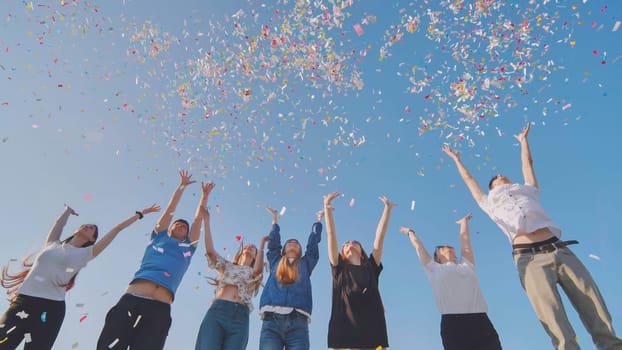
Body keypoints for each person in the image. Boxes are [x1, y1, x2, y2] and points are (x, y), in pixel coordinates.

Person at [443, 123, 622, 350]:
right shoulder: (489, 203)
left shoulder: (528, 190)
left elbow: (527, 165)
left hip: (560, 249)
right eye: (496, 178)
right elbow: (470, 181)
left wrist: (523, 142)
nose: (500, 175)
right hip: (529, 259)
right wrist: (457, 159)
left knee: (594, 307)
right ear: (492, 188)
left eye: (503, 175)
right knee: (553, 319)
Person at [0, 203, 160, 350]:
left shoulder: (87, 253)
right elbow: (58, 225)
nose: (88, 227)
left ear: (92, 239)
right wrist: (67, 211)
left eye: (92, 229)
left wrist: (140, 214)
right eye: (87, 225)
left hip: (51, 308)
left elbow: (116, 229)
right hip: (23, 301)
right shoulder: (52, 244)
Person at [97, 171, 207, 350]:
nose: (181, 225)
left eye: (184, 227)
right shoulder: (158, 237)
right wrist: (181, 187)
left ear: (187, 235)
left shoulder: (189, 248)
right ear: (168, 228)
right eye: (177, 224)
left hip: (160, 308)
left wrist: (205, 196)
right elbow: (170, 210)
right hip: (132, 298)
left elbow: (198, 220)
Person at [400, 213, 502, 350]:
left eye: (449, 246)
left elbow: (466, 244)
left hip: (480, 321)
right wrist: (410, 233)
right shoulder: (433, 268)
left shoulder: (467, 266)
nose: (447, 246)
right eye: (441, 247)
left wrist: (464, 223)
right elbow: (419, 248)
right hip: (453, 324)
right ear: (437, 257)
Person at [195, 181, 270, 350]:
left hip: (240, 316)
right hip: (218, 310)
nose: (250, 247)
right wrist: (206, 221)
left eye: (254, 248)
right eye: (248, 246)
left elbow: (258, 270)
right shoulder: (227, 266)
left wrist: (262, 244)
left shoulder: (254, 271)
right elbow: (210, 252)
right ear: (241, 251)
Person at [323, 191, 395, 350]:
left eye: (354, 242)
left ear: (361, 250)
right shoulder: (339, 269)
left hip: (374, 338)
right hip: (344, 339)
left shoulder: (371, 267)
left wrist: (387, 210)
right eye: (345, 244)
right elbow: (331, 235)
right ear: (342, 253)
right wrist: (327, 208)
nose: (349, 244)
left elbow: (380, 237)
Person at [258, 206, 323, 350]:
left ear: (300, 250)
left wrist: (318, 221)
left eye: (296, 243)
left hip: (298, 321)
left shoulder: (306, 263)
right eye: (289, 243)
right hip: (271, 320)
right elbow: (273, 244)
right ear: (283, 249)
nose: (293, 243)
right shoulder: (275, 260)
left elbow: (313, 245)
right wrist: (275, 220)